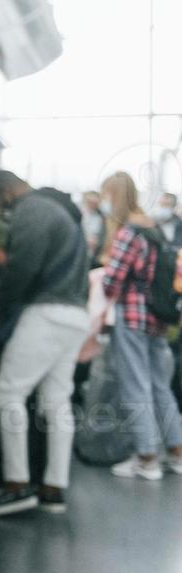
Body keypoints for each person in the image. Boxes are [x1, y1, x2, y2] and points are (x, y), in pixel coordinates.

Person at [0, 171, 91, 517]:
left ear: (5, 192)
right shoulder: (60, 211)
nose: (0, 211)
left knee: (7, 394)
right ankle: (54, 488)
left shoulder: (33, 209)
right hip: (74, 314)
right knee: (56, 400)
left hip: (47, 314)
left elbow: (23, 266)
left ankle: (16, 486)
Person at [97, 172, 182, 479]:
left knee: (136, 387)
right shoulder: (154, 229)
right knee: (161, 386)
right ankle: (176, 451)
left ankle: (146, 458)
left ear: (115, 196)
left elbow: (112, 282)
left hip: (132, 317)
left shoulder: (129, 231)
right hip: (159, 319)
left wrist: (105, 272)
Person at [79, 189, 105, 257]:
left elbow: (101, 237)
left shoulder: (100, 218)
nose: (92, 205)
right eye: (90, 202)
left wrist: (97, 242)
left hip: (92, 254)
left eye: (95, 203)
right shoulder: (79, 213)